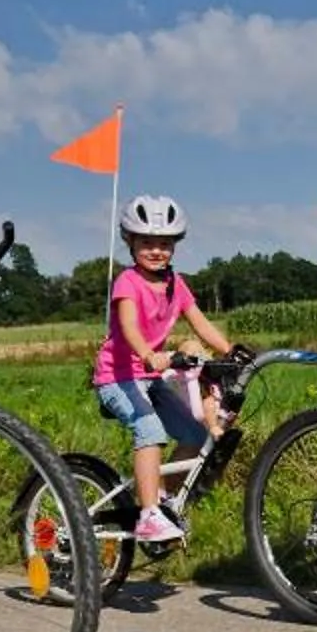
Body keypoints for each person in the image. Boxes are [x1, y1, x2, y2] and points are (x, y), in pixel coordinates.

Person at [90, 194, 236, 545]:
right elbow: (128, 325)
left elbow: (200, 324)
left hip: (150, 378)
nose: (156, 250)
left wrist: (233, 351)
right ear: (130, 242)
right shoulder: (128, 282)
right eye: (147, 243)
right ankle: (149, 514)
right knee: (150, 430)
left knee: (197, 437)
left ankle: (162, 500)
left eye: (165, 244)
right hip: (118, 377)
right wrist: (147, 354)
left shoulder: (176, 284)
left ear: (175, 246)